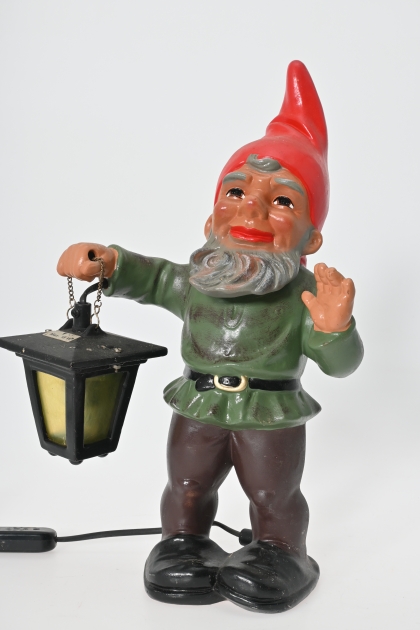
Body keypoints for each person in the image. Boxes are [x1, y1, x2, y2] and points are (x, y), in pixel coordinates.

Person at [57, 60, 363, 613]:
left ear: (312, 238)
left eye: (283, 201)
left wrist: (334, 327)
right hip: (198, 404)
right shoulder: (198, 281)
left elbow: (340, 364)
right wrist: (108, 263)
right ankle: (184, 544)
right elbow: (152, 277)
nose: (253, 210)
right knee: (187, 484)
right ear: (210, 217)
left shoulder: (304, 297)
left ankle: (280, 551)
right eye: (236, 192)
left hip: (269, 413)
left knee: (273, 492)